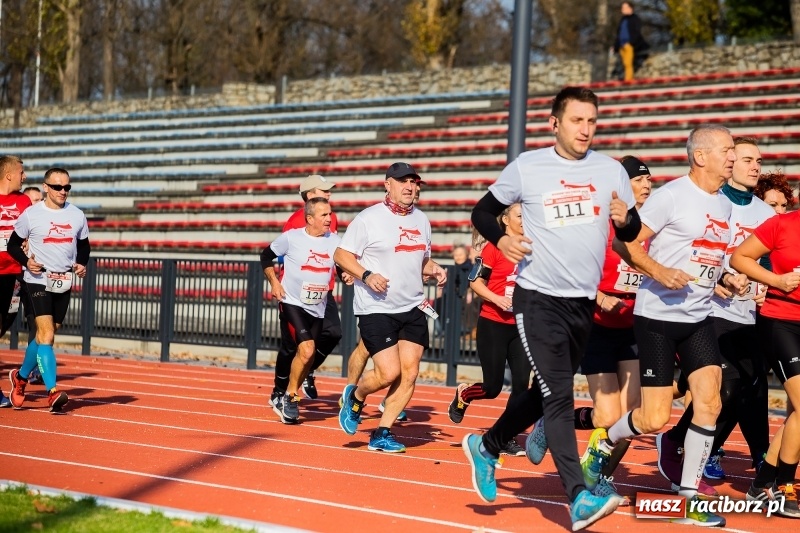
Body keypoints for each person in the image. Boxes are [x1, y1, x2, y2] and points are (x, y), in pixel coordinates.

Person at [464, 86, 640, 531]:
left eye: (592, 121)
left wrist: (626, 220)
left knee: (546, 393)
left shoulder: (611, 171)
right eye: (577, 120)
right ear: (555, 124)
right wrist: (501, 238)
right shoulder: (528, 167)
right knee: (559, 396)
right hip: (537, 298)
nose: (585, 129)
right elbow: (481, 212)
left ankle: (486, 446)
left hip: (582, 305)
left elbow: (632, 228)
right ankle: (578, 497)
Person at [580, 125, 743, 527]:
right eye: (727, 150)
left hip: (698, 318)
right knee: (654, 419)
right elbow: (625, 244)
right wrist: (660, 271)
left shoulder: (723, 203)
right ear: (701, 156)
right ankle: (605, 444)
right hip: (657, 319)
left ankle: (689, 497)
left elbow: (707, 254)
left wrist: (725, 279)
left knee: (710, 401)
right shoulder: (670, 197)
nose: (733, 157)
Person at [656, 138, 775, 492]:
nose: (756, 166)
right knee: (723, 388)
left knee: (748, 389)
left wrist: (763, 283)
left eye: (759, 160)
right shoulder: (710, 201)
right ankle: (680, 444)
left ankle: (706, 450)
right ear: (730, 161)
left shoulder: (765, 214)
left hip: (749, 313)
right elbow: (688, 249)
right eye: (747, 159)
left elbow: (767, 262)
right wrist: (716, 279)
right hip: (708, 309)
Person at [530, 156, 651, 503]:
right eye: (638, 180)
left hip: (633, 327)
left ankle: (601, 476)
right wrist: (598, 297)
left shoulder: (654, 226)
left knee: (635, 417)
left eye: (648, 181)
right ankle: (555, 422)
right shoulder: (599, 223)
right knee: (606, 415)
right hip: (595, 324)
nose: (645, 186)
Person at [335, 162, 447, 453]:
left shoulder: (422, 220)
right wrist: (367, 275)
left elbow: (419, 260)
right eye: (403, 182)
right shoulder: (368, 219)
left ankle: (381, 432)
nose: (410, 187)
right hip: (376, 307)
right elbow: (341, 254)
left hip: (412, 306)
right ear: (388, 185)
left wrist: (434, 269)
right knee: (388, 373)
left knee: (409, 375)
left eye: (414, 182)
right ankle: (356, 397)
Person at [731, 206, 800, 518]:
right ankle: (785, 488)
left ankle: (761, 485)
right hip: (781, 320)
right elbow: (739, 258)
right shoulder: (782, 224)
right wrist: (778, 280)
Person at [448, 204, 531, 457]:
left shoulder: (533, 247)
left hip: (521, 326)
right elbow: (475, 282)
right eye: (519, 215)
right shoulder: (494, 248)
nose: (524, 220)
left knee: (521, 387)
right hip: (493, 323)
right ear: (505, 220)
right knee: (493, 387)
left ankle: (505, 436)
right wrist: (496, 299)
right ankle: (464, 393)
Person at [7, 168, 90, 413]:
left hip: (63, 280)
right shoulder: (31, 215)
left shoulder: (77, 215)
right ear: (45, 187)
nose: (62, 191)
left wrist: (81, 264)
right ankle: (52, 392)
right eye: (57, 187)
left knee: (46, 334)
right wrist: (26, 262)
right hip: (37, 279)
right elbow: (12, 244)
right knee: (47, 336)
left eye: (67, 187)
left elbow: (84, 246)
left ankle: (20, 379)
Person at [261, 197, 345, 424]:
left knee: (305, 356)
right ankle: (289, 396)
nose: (330, 219)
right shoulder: (292, 238)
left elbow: (341, 266)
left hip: (317, 306)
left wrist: (346, 275)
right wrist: (274, 283)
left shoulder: (335, 241)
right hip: (291, 302)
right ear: (310, 218)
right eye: (324, 215)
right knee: (306, 349)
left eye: (330, 214)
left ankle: (286, 392)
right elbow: (265, 256)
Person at [0, 156, 32, 408]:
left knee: (4, 327)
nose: (25, 176)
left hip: (15, 275)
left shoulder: (24, 201)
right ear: (8, 174)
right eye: (21, 172)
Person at [613, 1, 649, 82]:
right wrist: (615, 46)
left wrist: (631, 42)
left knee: (628, 63)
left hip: (629, 44)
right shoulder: (622, 20)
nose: (623, 10)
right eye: (622, 8)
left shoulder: (635, 19)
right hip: (621, 45)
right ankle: (624, 79)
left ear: (630, 8)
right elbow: (619, 34)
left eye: (625, 8)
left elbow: (636, 32)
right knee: (622, 64)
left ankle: (628, 80)